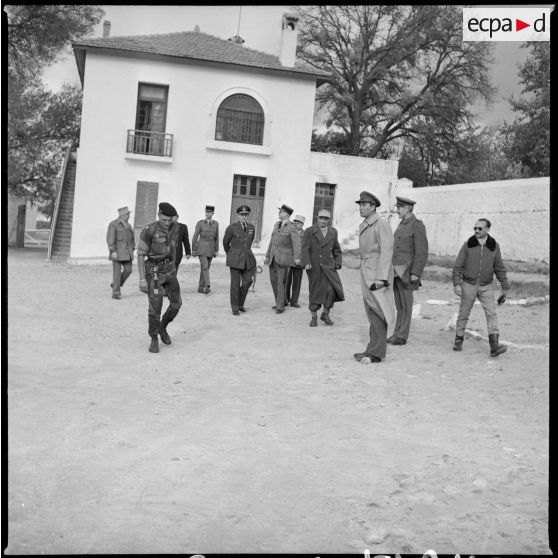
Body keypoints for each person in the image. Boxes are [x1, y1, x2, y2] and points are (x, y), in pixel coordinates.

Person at [451, 218, 509, 357]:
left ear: (488, 229)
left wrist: (505, 286)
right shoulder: (467, 245)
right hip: (468, 284)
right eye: (475, 228)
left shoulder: (494, 246)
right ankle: (458, 340)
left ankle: (494, 346)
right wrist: (457, 284)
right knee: (464, 313)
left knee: (491, 313)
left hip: (486, 286)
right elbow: (457, 266)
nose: (476, 231)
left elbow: (499, 267)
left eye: (480, 228)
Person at [353, 191, 396, 364]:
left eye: (364, 205)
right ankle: (372, 349)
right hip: (367, 271)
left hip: (377, 273)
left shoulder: (381, 225)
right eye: (360, 205)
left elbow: (387, 252)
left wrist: (381, 278)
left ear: (373, 206)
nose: (361, 208)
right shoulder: (365, 224)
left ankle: (377, 352)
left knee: (380, 311)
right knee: (371, 311)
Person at [137, 202, 182, 354]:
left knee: (177, 304)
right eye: (164, 220)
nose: (167, 223)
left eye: (169, 220)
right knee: (155, 307)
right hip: (154, 272)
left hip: (169, 271)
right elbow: (141, 255)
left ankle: (163, 326)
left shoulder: (176, 228)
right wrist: (142, 279)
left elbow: (175, 249)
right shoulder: (149, 230)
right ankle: (154, 338)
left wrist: (174, 268)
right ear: (158, 215)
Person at [388, 196, 429, 345]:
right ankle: (396, 333)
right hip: (396, 271)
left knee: (406, 305)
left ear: (406, 209)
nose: (397, 210)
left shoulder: (416, 225)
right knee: (399, 305)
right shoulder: (402, 224)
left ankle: (402, 336)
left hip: (407, 273)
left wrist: (415, 274)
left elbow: (421, 252)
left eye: (399, 208)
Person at [301, 209, 344, 327]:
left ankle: (325, 313)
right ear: (317, 218)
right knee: (315, 290)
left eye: (326, 219)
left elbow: (336, 249)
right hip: (314, 266)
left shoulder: (333, 232)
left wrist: (338, 262)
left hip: (328, 266)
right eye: (321, 218)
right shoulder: (309, 231)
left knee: (331, 290)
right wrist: (306, 262)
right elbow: (305, 248)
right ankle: (313, 317)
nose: (323, 221)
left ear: (329, 220)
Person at [264, 204, 302, 314]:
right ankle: (282, 301)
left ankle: (280, 306)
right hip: (273, 257)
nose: (279, 213)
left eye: (281, 211)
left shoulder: (292, 226)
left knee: (281, 282)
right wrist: (267, 255)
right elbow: (272, 241)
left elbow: (296, 243)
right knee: (273, 281)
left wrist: (297, 258)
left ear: (286, 214)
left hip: (284, 258)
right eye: (279, 211)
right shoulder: (277, 225)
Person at [223, 205, 257, 315]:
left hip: (247, 259)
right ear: (238, 215)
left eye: (246, 214)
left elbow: (249, 243)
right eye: (242, 214)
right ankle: (235, 308)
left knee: (248, 281)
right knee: (235, 285)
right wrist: (232, 253)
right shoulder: (231, 228)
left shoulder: (251, 227)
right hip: (235, 260)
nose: (244, 216)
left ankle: (240, 303)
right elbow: (225, 243)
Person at [106, 206, 135, 300]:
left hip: (127, 253)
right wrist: (112, 251)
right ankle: (116, 293)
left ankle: (116, 284)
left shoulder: (128, 225)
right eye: (127, 214)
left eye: (129, 214)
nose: (129, 216)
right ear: (122, 215)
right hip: (117, 252)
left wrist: (133, 247)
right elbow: (110, 239)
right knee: (117, 273)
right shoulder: (113, 225)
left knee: (129, 270)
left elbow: (132, 238)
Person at [191, 205, 219, 294]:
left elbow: (217, 238)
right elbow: (194, 237)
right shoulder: (200, 224)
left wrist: (216, 250)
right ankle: (207, 285)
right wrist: (194, 250)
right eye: (206, 212)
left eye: (210, 212)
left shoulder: (216, 224)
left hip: (211, 249)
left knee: (205, 268)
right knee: (205, 267)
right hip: (202, 249)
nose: (207, 214)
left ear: (213, 213)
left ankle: (200, 288)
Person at [286, 215, 306, 308]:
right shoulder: (290, 232)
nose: (296, 225)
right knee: (287, 281)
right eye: (295, 223)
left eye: (298, 223)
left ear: (302, 224)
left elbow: (306, 248)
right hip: (289, 261)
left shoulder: (306, 235)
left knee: (297, 282)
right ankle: (286, 299)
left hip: (299, 262)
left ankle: (294, 302)